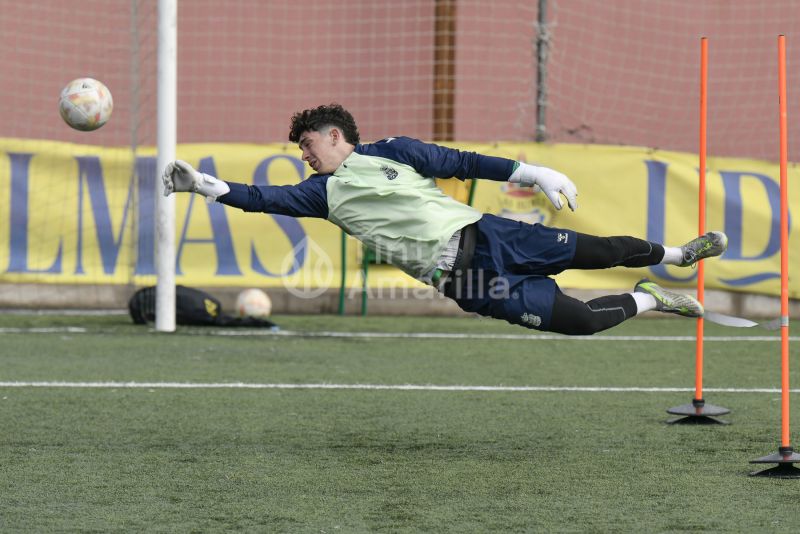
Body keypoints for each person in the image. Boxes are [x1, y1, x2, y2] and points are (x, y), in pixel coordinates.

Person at [162, 103, 727, 335]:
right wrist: (206, 186)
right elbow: (263, 198)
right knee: (579, 322)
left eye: (308, 144)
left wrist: (533, 172)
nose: (304, 155)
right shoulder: (320, 194)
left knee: (599, 252)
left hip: (488, 234)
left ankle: (680, 254)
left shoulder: (393, 151)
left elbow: (460, 162)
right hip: (467, 280)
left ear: (337, 136)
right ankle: (655, 298)